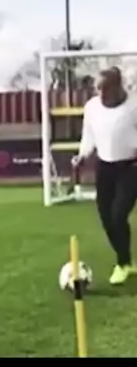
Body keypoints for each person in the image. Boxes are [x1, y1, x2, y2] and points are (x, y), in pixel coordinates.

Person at [72, 67, 137, 284]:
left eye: (105, 88)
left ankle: (122, 264)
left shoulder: (134, 106)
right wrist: (82, 155)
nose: (100, 93)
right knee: (106, 217)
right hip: (105, 167)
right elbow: (89, 136)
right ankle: (127, 262)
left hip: (131, 166)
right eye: (98, 88)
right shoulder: (92, 107)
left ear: (118, 87)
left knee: (118, 215)